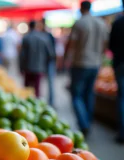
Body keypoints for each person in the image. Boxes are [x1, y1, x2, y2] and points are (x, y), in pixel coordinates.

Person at [65, 1, 108, 135]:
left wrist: (66, 59)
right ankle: (88, 121)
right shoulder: (101, 23)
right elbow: (105, 44)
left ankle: (84, 124)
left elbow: (71, 43)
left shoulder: (80, 23)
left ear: (81, 9)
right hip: (95, 63)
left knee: (76, 94)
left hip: (80, 63)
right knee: (89, 93)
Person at [20, 20, 54, 97]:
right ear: (36, 26)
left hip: (27, 68)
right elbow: (50, 54)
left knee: (27, 90)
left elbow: (22, 55)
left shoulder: (26, 38)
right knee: (37, 90)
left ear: (29, 27)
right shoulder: (43, 38)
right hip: (39, 68)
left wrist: (21, 68)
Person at [109, 2, 124, 144]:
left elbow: (111, 45)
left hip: (120, 64)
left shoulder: (118, 23)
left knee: (122, 97)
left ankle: (122, 132)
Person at [39, 18, 56, 106]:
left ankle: (51, 102)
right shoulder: (40, 35)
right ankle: (40, 102)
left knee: (50, 82)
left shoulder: (48, 35)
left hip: (48, 61)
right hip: (41, 61)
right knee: (39, 83)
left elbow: (53, 50)